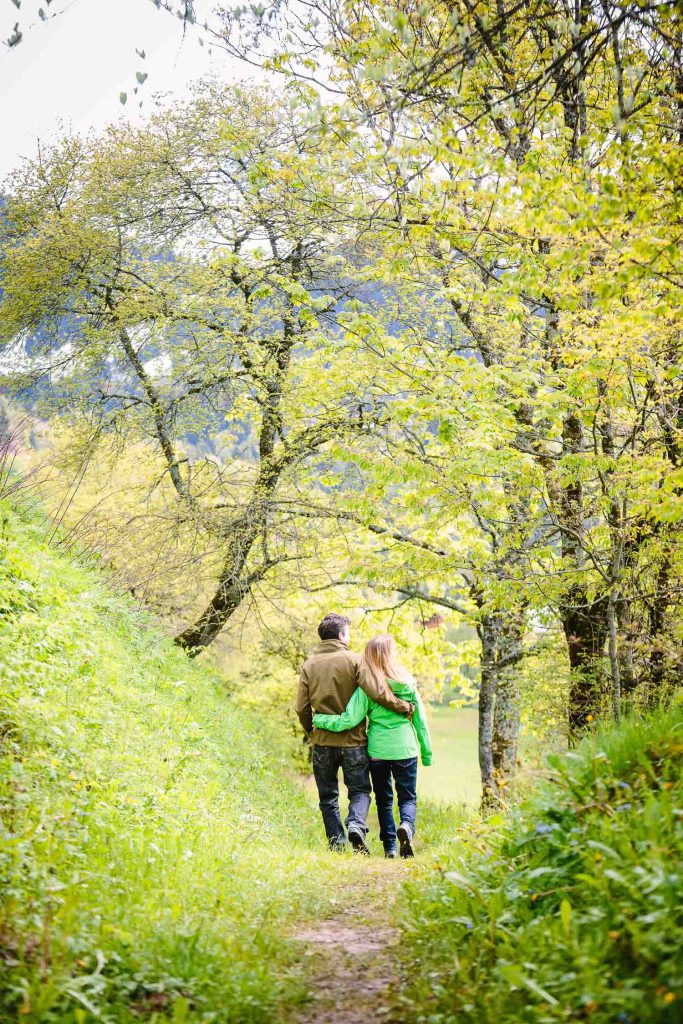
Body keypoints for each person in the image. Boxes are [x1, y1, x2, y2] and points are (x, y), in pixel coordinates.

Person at [296, 614, 413, 854]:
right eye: (348, 632)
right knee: (359, 791)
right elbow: (377, 692)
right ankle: (356, 825)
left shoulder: (309, 665)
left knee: (327, 796)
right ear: (341, 635)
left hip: (322, 744)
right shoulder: (354, 660)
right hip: (353, 743)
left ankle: (337, 846)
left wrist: (311, 730)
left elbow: (301, 707)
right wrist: (403, 707)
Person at [313, 634, 432, 859]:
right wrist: (426, 754)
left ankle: (390, 848)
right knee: (407, 797)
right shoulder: (408, 684)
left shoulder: (367, 689)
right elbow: (421, 723)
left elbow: (348, 720)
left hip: (378, 751)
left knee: (384, 799)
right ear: (391, 655)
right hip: (406, 749)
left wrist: (320, 720)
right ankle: (406, 826)